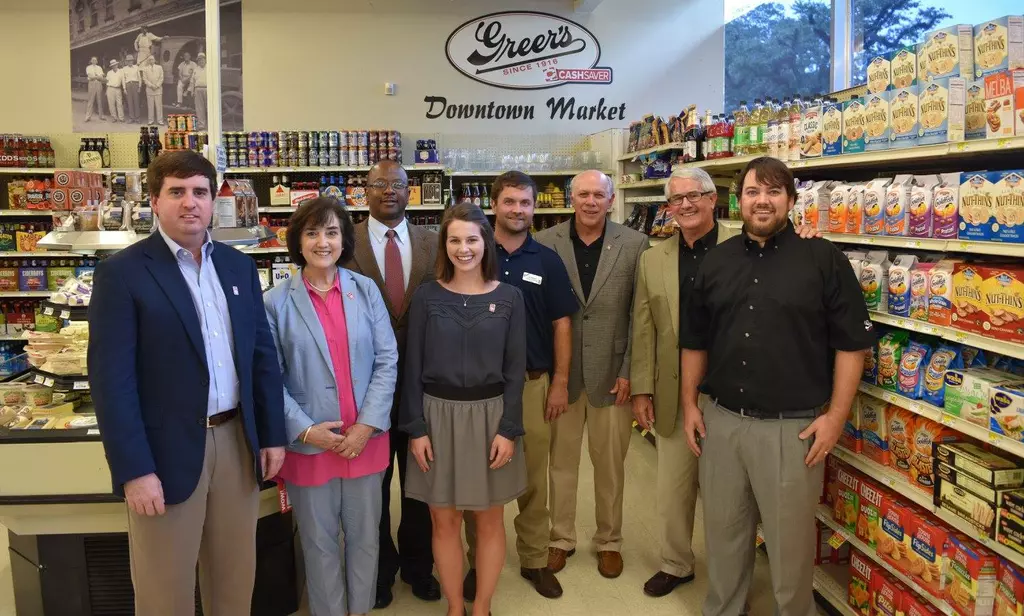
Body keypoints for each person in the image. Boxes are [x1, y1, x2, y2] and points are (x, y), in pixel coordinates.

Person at [88, 151, 287, 616]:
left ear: (213, 200)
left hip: (236, 442)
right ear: (154, 201)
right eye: (176, 191)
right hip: (164, 453)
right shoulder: (122, 273)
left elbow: (261, 358)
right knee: (165, 590)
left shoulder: (238, 268)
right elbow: (112, 383)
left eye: (200, 192)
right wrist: (134, 470)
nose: (189, 202)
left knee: (234, 581)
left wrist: (272, 434)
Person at [680, 156, 875, 616]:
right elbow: (694, 341)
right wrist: (690, 404)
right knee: (723, 533)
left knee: (790, 545)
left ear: (790, 200)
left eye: (773, 192)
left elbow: (853, 345)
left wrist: (836, 418)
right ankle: (724, 608)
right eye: (753, 192)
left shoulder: (823, 259)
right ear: (739, 201)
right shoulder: (716, 261)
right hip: (721, 422)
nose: (762, 201)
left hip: (793, 430)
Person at [264, 197, 398, 616]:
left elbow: (387, 359)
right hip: (309, 446)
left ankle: (359, 610)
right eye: (312, 233)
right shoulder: (276, 302)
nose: (323, 242)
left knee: (365, 539)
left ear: (344, 240)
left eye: (332, 232)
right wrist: (305, 430)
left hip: (365, 442)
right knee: (319, 543)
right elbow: (269, 378)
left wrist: (367, 425)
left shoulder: (366, 290)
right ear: (298, 241)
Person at [400, 202, 528, 616]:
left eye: (472, 239)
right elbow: (413, 367)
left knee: (489, 521)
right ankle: (455, 606)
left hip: (492, 419)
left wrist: (508, 429)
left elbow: (515, 371)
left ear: (486, 242)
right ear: (444, 245)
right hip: (437, 419)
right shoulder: (426, 297)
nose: (463, 248)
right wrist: (416, 428)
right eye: (454, 240)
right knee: (444, 521)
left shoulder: (510, 298)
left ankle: (482, 607)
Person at [463, 171, 577, 601]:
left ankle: (533, 559)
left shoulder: (547, 259)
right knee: (477, 479)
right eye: (509, 201)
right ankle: (477, 562)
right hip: (478, 389)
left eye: (525, 203)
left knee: (532, 479)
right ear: (493, 204)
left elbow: (562, 323)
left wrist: (559, 382)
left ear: (534, 207)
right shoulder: (472, 253)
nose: (517, 210)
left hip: (532, 385)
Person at [535, 170, 648, 579]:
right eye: (583, 194)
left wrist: (630, 371)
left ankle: (609, 541)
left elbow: (640, 314)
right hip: (562, 377)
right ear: (571, 197)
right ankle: (560, 538)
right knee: (561, 463)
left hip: (612, 376)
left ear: (611, 199)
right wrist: (550, 375)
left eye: (599, 195)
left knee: (611, 466)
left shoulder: (635, 244)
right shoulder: (544, 242)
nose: (590, 201)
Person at [629, 167, 732, 597]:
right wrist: (641, 388)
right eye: (676, 199)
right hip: (673, 392)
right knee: (672, 488)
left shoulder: (743, 246)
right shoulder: (653, 259)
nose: (685, 205)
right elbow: (643, 328)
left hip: (730, 392)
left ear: (712, 199)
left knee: (728, 495)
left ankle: (730, 579)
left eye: (694, 196)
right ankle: (676, 563)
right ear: (668, 207)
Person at [343, 159, 441, 608]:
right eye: (379, 184)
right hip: (367, 391)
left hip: (424, 387)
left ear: (409, 191)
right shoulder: (346, 242)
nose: (389, 191)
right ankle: (379, 571)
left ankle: (420, 568)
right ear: (365, 191)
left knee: (420, 485)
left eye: (397, 184)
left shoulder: (434, 242)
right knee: (373, 489)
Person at [142, 56, 165, 125]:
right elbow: (145, 79)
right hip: (150, 90)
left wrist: (157, 85)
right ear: (148, 61)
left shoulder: (159, 67)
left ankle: (160, 120)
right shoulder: (145, 69)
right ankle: (150, 120)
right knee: (150, 106)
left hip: (158, 89)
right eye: (149, 60)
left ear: (155, 60)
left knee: (159, 106)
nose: (151, 61)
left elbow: (161, 78)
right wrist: (151, 86)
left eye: (152, 59)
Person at [84, 56, 106, 122]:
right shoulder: (88, 67)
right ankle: (88, 116)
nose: (94, 61)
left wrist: (95, 77)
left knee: (99, 100)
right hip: (92, 84)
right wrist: (97, 77)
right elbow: (90, 77)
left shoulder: (99, 68)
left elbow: (102, 77)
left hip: (99, 84)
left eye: (95, 60)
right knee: (91, 100)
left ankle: (101, 116)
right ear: (91, 61)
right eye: (93, 60)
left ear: (97, 61)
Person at [190, 52, 208, 129]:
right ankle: (201, 125)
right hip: (197, 89)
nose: (201, 61)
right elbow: (192, 81)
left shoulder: (210, 67)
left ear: (205, 59)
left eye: (202, 59)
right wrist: (192, 91)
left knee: (209, 107)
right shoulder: (196, 69)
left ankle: (211, 124)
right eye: (199, 60)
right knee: (200, 108)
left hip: (207, 89)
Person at [121, 54, 141, 123]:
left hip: (135, 85)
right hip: (128, 85)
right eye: (128, 61)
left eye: (131, 60)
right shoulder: (124, 69)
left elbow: (139, 78)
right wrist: (124, 88)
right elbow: (123, 79)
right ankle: (131, 118)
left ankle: (137, 118)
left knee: (136, 101)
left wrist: (139, 87)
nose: (130, 62)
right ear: (126, 61)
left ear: (133, 61)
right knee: (129, 102)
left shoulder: (136, 67)